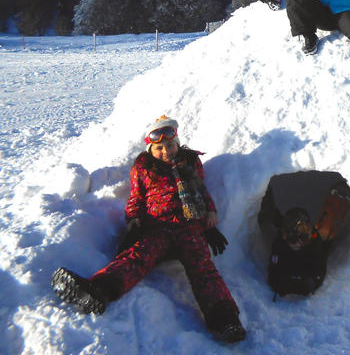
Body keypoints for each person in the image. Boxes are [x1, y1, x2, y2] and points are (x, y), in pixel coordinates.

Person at [50, 116, 245, 343]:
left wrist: (209, 216)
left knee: (203, 268)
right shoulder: (143, 167)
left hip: (189, 227)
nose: (166, 151)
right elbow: (137, 199)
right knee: (136, 258)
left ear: (177, 143)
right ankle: (98, 291)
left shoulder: (189, 162)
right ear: (150, 148)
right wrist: (133, 222)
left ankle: (225, 320)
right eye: (159, 148)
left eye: (170, 145)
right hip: (157, 227)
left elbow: (201, 191)